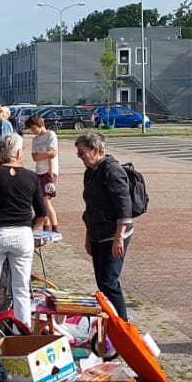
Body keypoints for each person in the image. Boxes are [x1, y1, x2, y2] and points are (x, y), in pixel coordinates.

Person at [0, 135, 49, 326]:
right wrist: (29, 228)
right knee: (21, 287)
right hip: (22, 234)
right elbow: (41, 213)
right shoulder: (31, 176)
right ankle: (21, 332)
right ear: (17, 152)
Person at [74, 129, 133, 319]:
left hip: (113, 234)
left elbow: (124, 205)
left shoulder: (111, 170)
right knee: (102, 282)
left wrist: (119, 237)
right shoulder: (90, 172)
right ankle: (111, 322)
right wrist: (88, 236)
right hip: (97, 232)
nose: (80, 157)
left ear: (96, 150)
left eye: (82, 152)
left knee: (109, 280)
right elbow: (90, 207)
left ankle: (122, 324)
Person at [26, 112, 60, 234]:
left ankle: (54, 227)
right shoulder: (35, 139)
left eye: (33, 128)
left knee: (46, 200)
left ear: (39, 125)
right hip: (39, 171)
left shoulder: (50, 135)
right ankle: (47, 227)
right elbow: (35, 157)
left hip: (49, 171)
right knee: (41, 200)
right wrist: (45, 154)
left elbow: (52, 154)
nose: (32, 131)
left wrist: (50, 170)